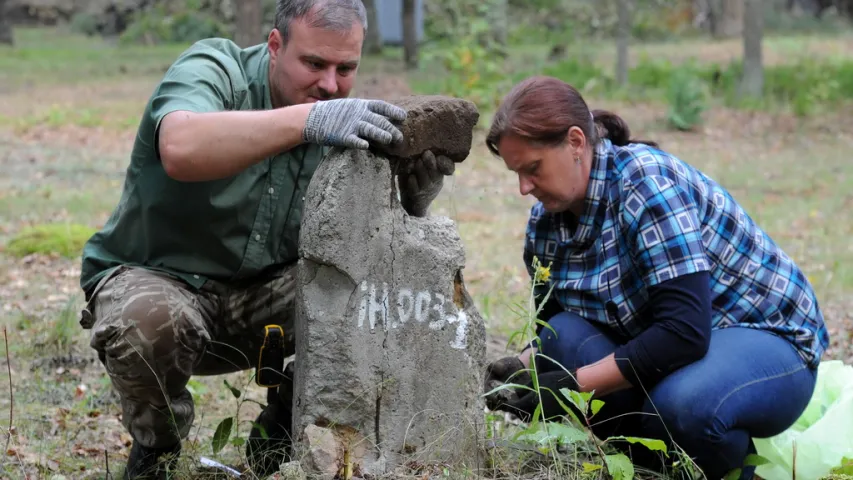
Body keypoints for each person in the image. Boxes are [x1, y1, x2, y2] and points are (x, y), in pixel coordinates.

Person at [77, 1, 454, 478]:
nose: (330, 85)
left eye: (346, 68)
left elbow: (366, 251)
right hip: (165, 285)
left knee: (386, 289)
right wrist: (306, 123)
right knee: (145, 322)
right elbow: (180, 146)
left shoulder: (347, 116)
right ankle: (158, 449)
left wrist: (413, 204)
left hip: (268, 306)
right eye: (314, 64)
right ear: (275, 46)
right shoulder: (216, 68)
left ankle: (284, 427)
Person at [482, 76, 829, 480]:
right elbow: (558, 320)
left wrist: (570, 386)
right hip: (677, 347)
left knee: (682, 406)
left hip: (766, 338)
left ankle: (730, 468)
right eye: (516, 174)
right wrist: (519, 370)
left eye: (533, 168)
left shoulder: (645, 186)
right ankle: (652, 465)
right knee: (561, 336)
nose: (524, 187)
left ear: (576, 142)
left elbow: (684, 332)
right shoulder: (546, 223)